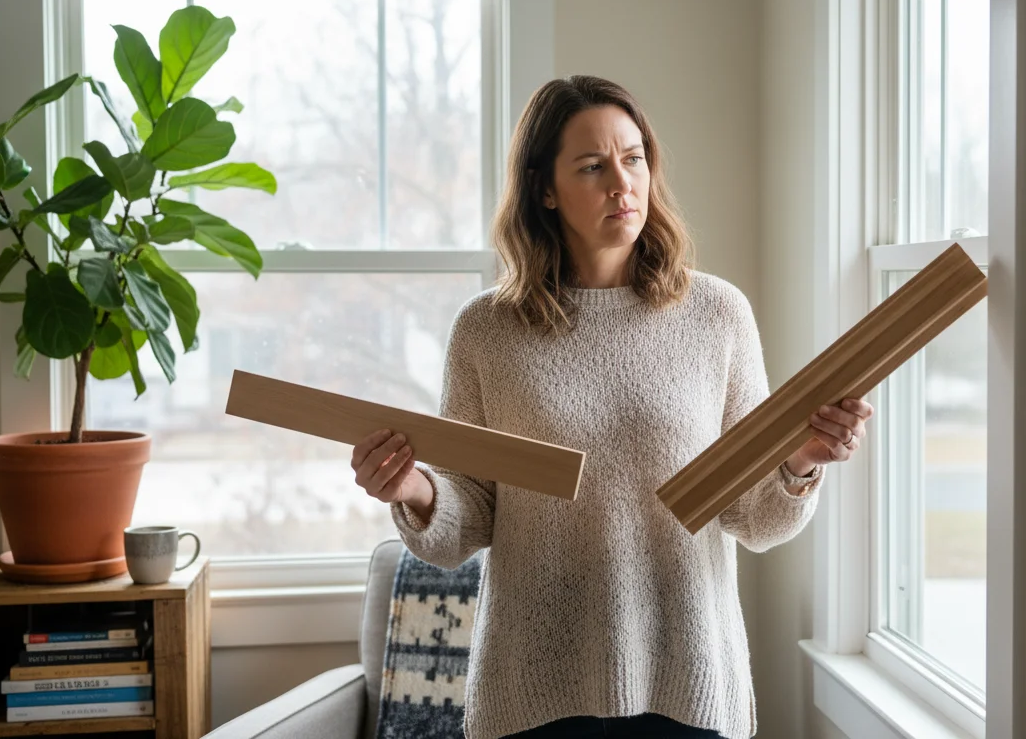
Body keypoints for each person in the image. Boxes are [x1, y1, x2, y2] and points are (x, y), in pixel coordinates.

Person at [350, 75, 871, 739]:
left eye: (633, 158)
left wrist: (800, 459)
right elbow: (467, 519)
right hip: (534, 693)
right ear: (544, 188)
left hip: (689, 683)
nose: (621, 183)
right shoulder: (486, 330)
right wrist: (412, 487)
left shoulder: (718, 315)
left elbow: (755, 520)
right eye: (593, 167)